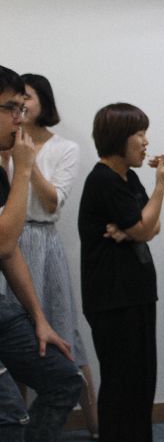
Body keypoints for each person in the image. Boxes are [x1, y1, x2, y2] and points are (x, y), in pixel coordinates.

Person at [0, 73, 99, 438]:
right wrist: (20, 165)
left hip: (38, 247)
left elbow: (49, 205)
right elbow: (5, 242)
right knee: (13, 412)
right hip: (15, 239)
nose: (20, 114)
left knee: (64, 357)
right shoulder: (11, 156)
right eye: (12, 106)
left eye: (24, 103)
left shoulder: (60, 148)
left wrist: (38, 318)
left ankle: (93, 424)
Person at [78, 103, 164, 442]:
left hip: (137, 293)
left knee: (141, 383)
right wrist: (160, 185)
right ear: (119, 137)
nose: (146, 142)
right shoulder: (103, 179)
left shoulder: (128, 177)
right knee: (122, 385)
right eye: (139, 134)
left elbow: (153, 225)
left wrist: (132, 229)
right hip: (113, 298)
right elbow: (145, 227)